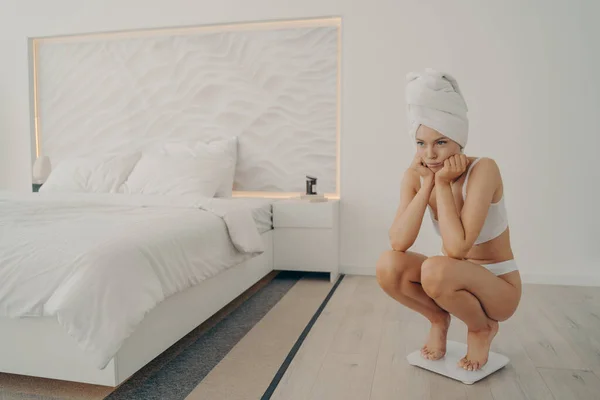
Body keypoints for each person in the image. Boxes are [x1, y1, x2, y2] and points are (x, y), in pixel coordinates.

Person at [376, 69, 522, 372]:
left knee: (436, 267)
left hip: (498, 288)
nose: (430, 153)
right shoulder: (416, 176)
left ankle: (482, 328)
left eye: (440, 142)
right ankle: (438, 318)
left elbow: (456, 249)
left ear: (458, 140)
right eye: (421, 143)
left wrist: (442, 185)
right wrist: (427, 184)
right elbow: (398, 241)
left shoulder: (484, 169)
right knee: (388, 265)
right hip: (450, 279)